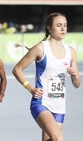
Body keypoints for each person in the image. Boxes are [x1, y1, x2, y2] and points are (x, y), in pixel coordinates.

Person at [12, 12, 81, 141]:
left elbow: (77, 84)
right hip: (42, 103)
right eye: (59, 25)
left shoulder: (71, 51)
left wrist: (75, 76)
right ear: (49, 28)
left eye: (65, 25)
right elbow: (17, 70)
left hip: (59, 105)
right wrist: (30, 88)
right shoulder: (41, 48)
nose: (63, 29)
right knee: (59, 138)